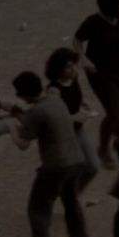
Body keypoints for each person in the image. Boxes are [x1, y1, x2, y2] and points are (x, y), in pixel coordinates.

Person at [9, 70, 91, 237]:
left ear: (25, 94)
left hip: (55, 167)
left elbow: (23, 144)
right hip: (76, 160)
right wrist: (18, 113)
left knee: (37, 210)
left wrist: (10, 126)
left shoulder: (36, 112)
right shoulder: (55, 98)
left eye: (19, 93)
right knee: (70, 201)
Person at [71, 0, 119, 167]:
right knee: (114, 112)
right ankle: (103, 149)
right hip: (101, 73)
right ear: (111, 8)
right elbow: (77, 40)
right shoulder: (93, 23)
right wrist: (82, 58)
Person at [44, 47, 99, 193]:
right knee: (71, 170)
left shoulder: (73, 79)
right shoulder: (53, 91)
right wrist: (75, 117)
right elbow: (54, 117)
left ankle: (73, 195)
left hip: (78, 130)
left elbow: (77, 97)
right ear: (58, 68)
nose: (73, 69)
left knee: (93, 166)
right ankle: (70, 198)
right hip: (64, 135)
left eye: (73, 65)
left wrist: (84, 105)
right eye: (68, 66)